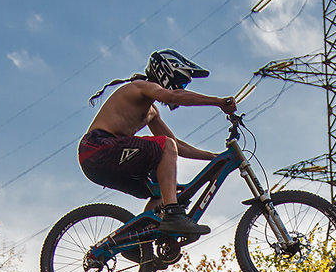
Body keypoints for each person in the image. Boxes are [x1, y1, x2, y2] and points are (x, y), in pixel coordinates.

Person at [79, 49, 237, 236]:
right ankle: (173, 215)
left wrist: (214, 158)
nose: (182, 87)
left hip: (99, 162)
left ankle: (139, 239)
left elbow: (176, 146)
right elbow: (174, 97)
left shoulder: (151, 111)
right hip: (97, 147)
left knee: (163, 189)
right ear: (167, 73)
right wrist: (217, 102)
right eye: (182, 82)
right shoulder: (140, 87)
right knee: (165, 148)